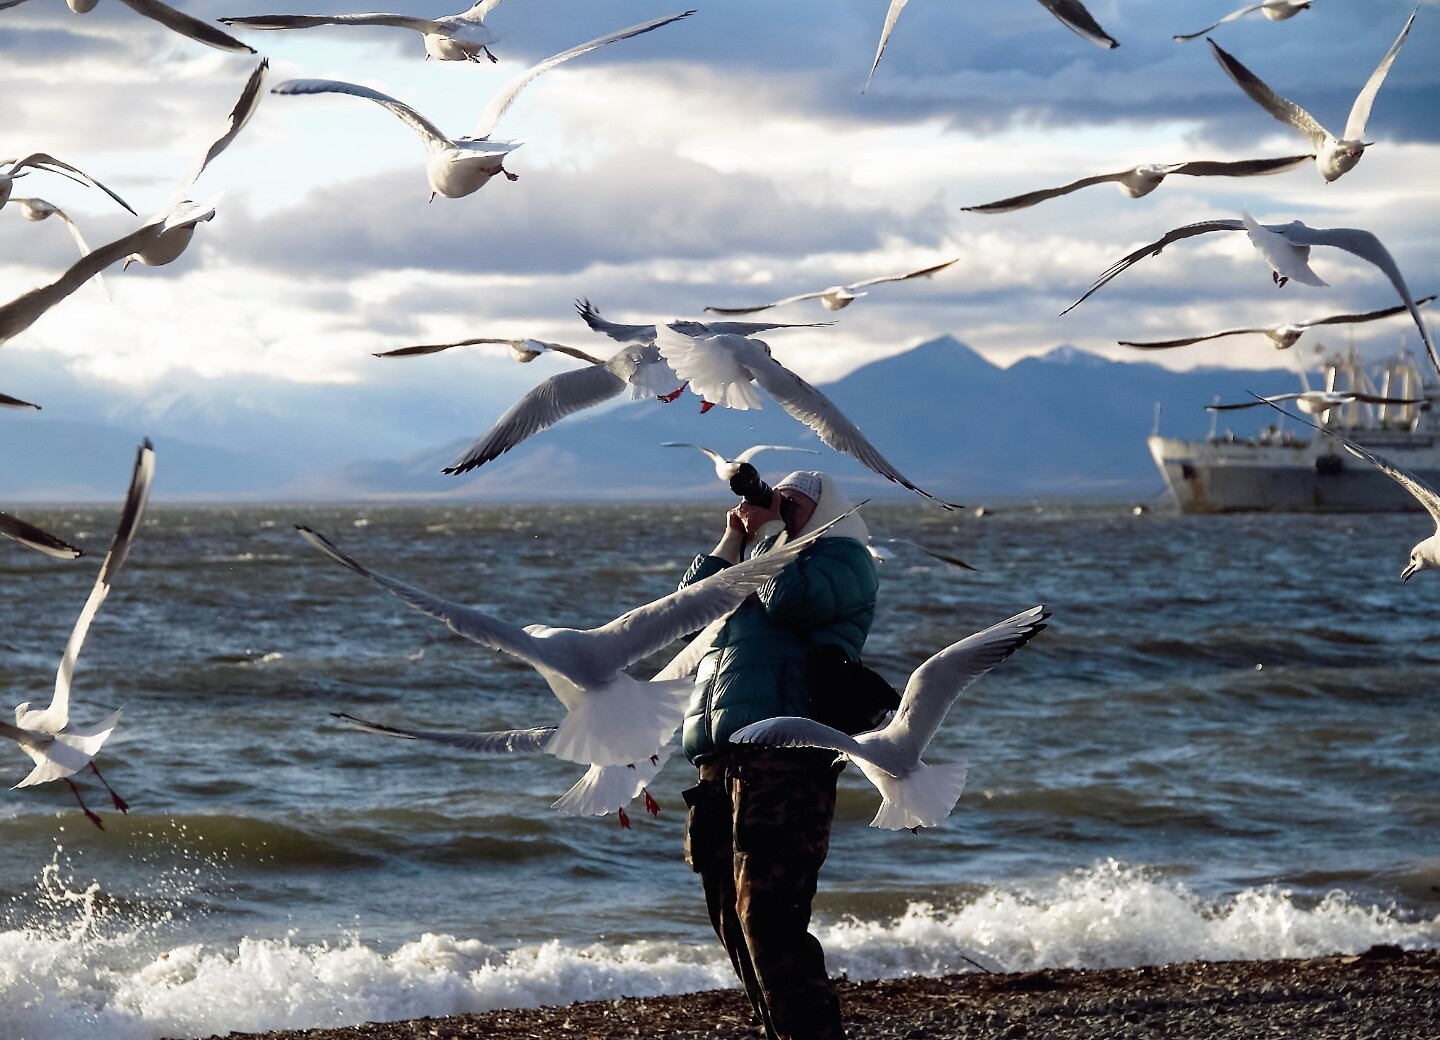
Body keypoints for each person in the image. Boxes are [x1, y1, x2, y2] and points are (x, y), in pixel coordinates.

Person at [678, 470, 879, 1040]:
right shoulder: (761, 558)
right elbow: (691, 608)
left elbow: (790, 602)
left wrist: (767, 539)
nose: (773, 508)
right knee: (730, 917)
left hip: (784, 754)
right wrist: (732, 542)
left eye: (788, 504)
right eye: (772, 501)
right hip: (719, 758)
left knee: (769, 915)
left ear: (821, 512)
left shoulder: (844, 558)